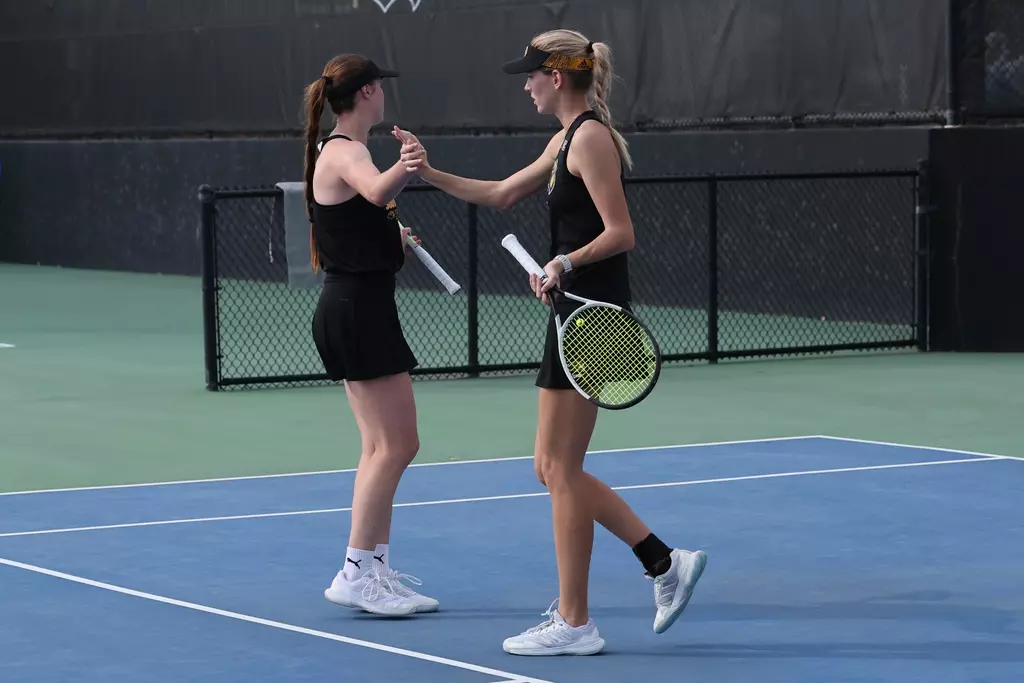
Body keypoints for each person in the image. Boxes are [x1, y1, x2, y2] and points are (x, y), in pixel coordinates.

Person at [393, 29, 707, 656]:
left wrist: (564, 261)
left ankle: (576, 621)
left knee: (560, 469)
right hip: (572, 312)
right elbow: (503, 194)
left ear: (557, 77)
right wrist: (424, 172)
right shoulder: (564, 140)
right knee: (549, 468)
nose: (527, 84)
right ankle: (663, 562)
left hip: (596, 319)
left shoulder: (589, 139)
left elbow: (621, 232)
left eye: (531, 75)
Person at [302, 53, 438, 617]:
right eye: (380, 89)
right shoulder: (345, 150)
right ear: (367, 93)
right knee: (398, 446)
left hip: (357, 306)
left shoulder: (340, 152)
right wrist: (408, 164)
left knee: (381, 447)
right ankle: (356, 569)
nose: (384, 96)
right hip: (357, 311)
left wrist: (390, 238)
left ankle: (374, 567)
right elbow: (377, 191)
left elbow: (364, 212)